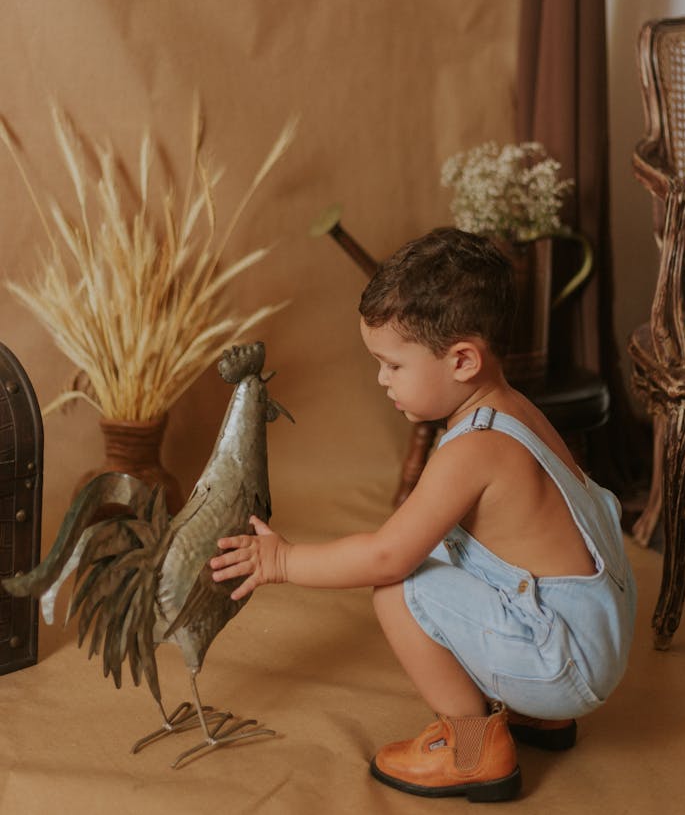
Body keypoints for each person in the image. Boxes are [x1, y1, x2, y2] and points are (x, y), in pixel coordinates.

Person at [210, 227, 636, 803]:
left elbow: (388, 553)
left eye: (392, 365)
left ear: (462, 360)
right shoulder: (517, 410)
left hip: (566, 663)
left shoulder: (471, 449)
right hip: (596, 628)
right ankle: (541, 716)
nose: (382, 380)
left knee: (395, 587)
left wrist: (283, 560)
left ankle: (473, 746)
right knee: (440, 545)